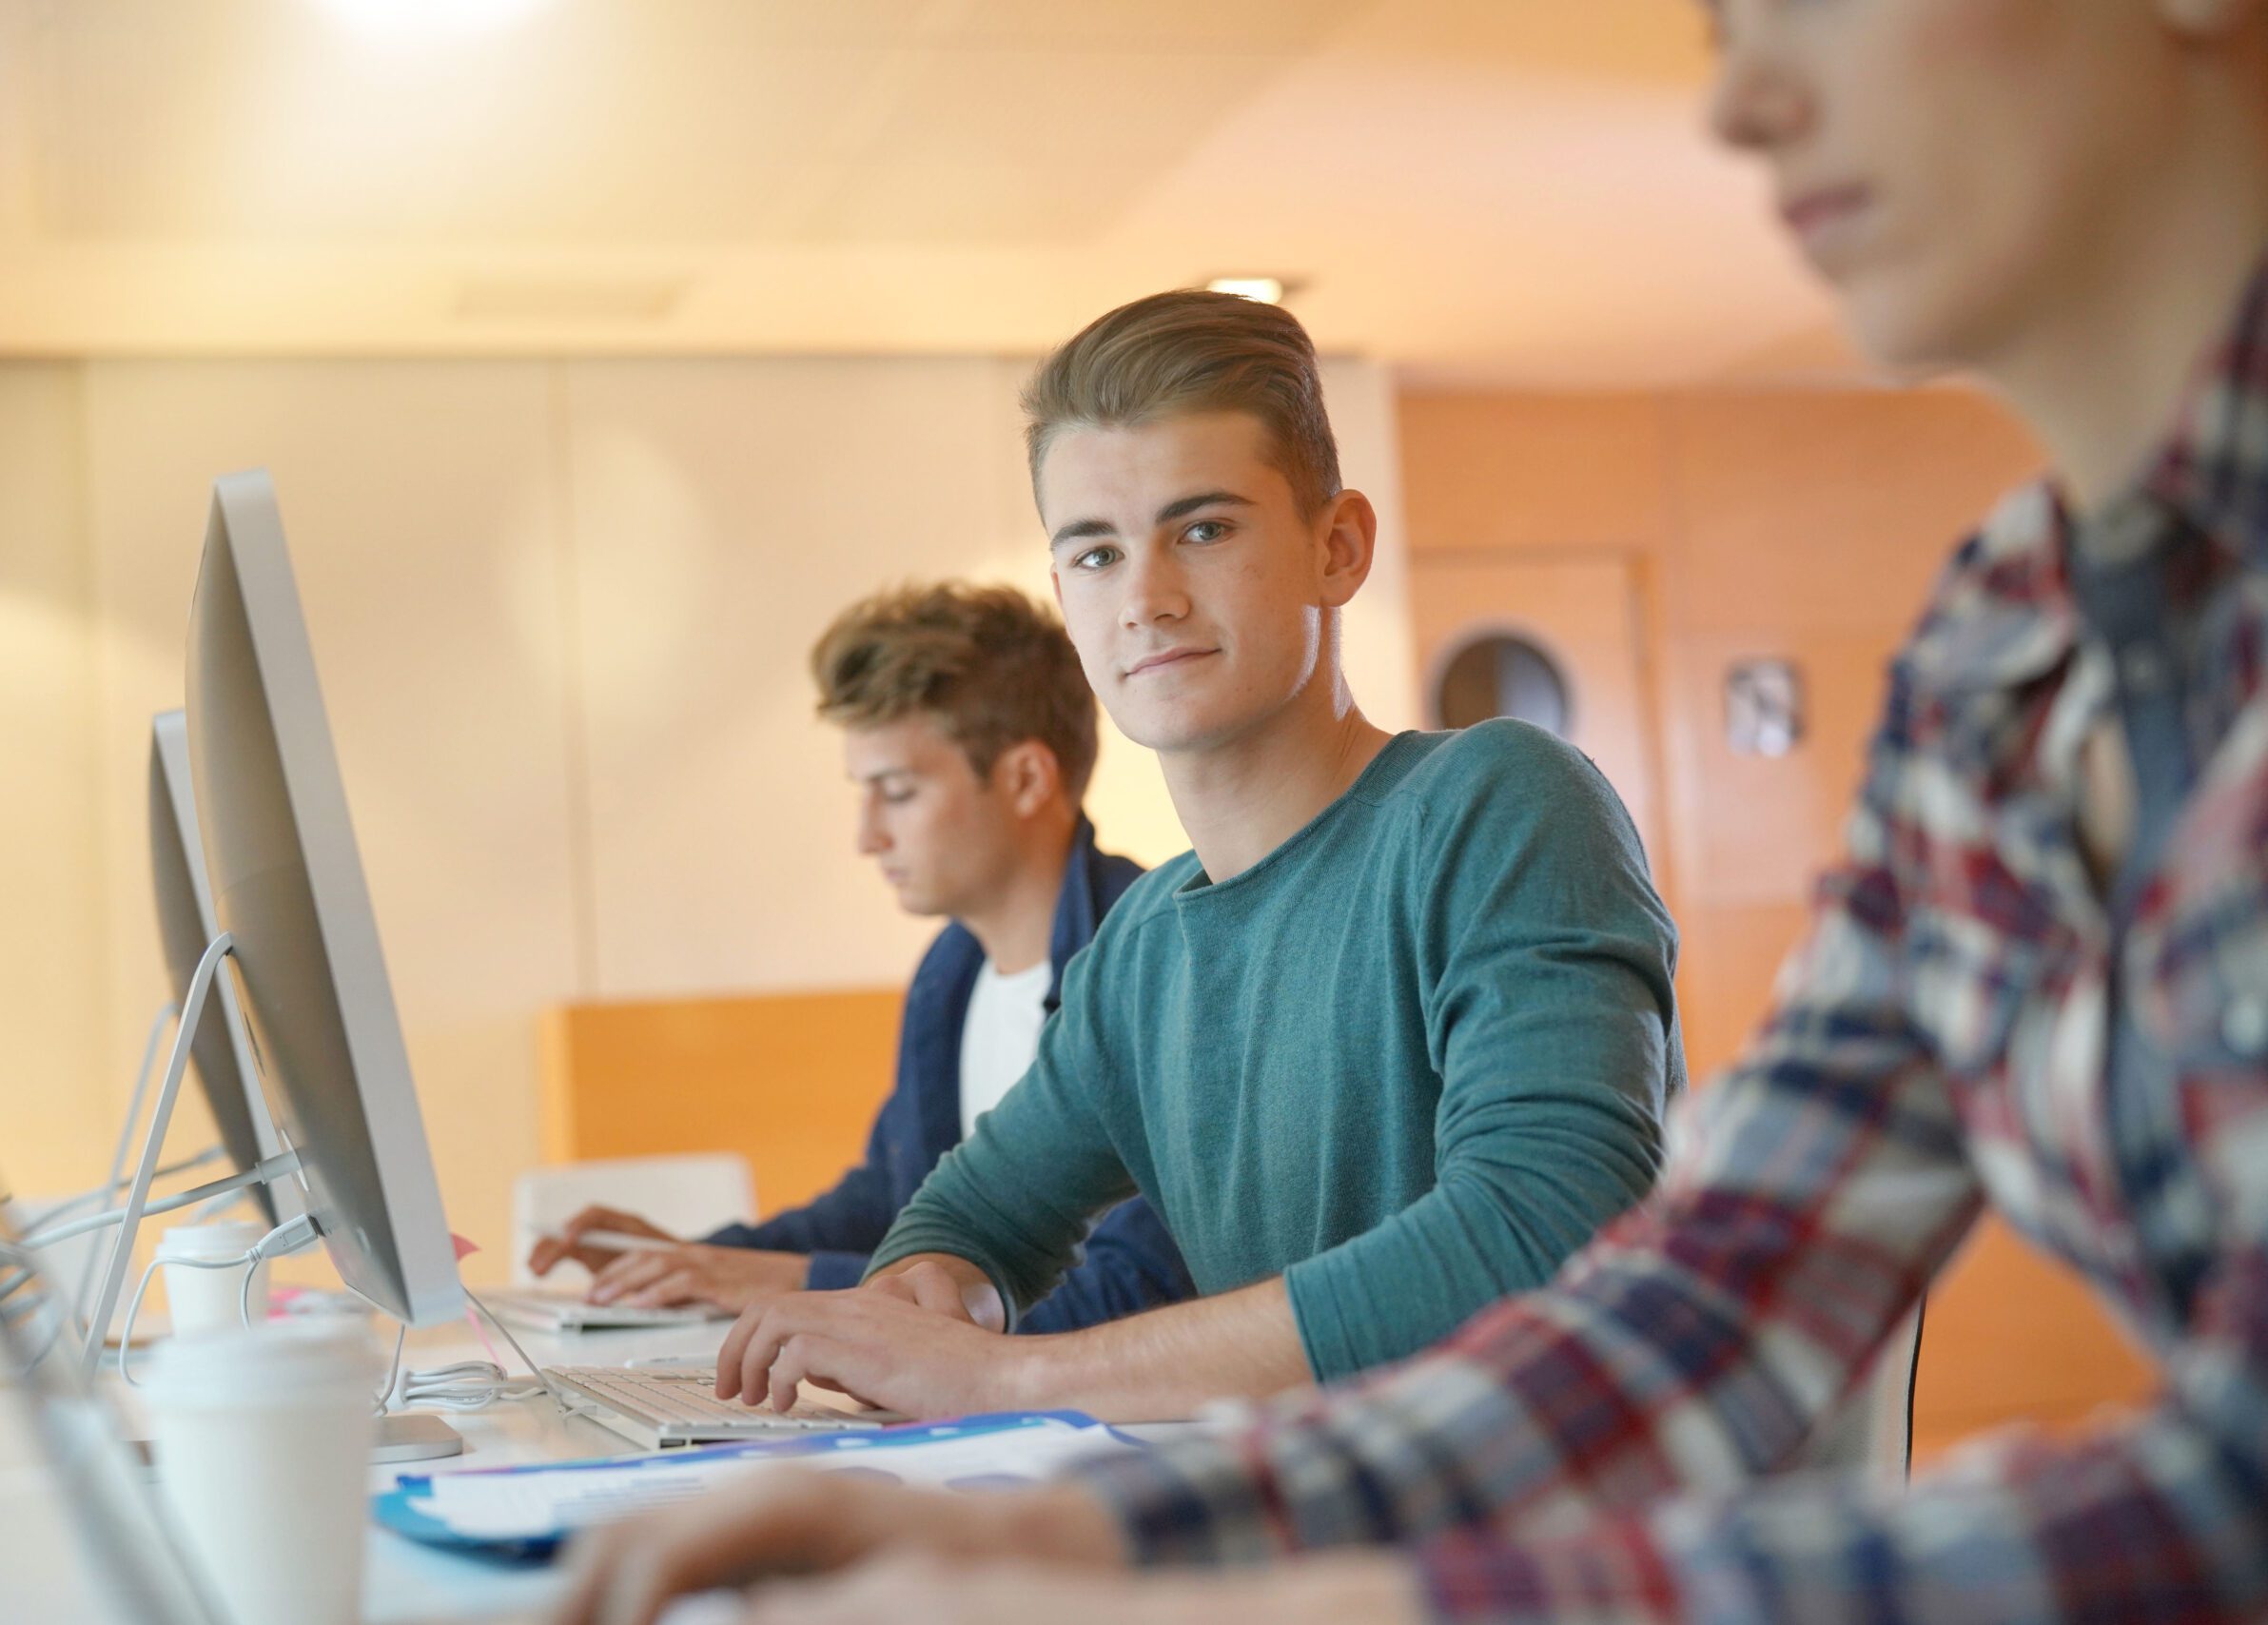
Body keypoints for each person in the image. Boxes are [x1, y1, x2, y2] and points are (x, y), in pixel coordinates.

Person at [554, 0, 2268, 1619]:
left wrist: (1196, 1524)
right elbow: (1700, 1298)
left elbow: (2219, 1484)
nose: (1739, 103)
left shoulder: (1492, 803)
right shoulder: (2002, 653)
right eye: (1725, 26)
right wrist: (1062, 1531)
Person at [699, 290, 1686, 1427]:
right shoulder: (1145, 944)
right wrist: (924, 1295)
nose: (1147, 599)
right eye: (1097, 553)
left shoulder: (1497, 803)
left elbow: (1544, 1227)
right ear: (1064, 595)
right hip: (1282, 1526)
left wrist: (1007, 1376)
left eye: (1204, 529)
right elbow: (966, 1217)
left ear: (1338, 545)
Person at [528, 582, 1191, 1331]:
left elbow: (1128, 1295)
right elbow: (886, 1202)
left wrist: (793, 1282)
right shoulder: (951, 973)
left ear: (1026, 779)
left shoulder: (1157, 965)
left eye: (898, 792)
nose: (867, 837)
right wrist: (697, 1262)